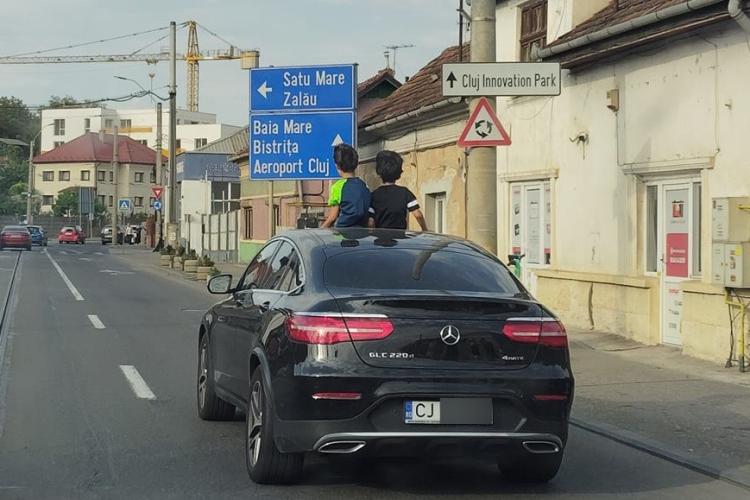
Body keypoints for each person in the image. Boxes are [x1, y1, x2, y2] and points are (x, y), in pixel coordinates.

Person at [368, 150, 428, 231]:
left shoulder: (374, 195)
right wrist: (424, 229)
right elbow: (418, 215)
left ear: (379, 172)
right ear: (398, 172)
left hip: (380, 236)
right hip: (400, 236)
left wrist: (372, 233)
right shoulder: (404, 193)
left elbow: (371, 222)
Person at [321, 143, 371, 228]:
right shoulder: (364, 185)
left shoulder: (337, 187)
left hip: (343, 232)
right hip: (362, 232)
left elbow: (332, 218)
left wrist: (320, 230)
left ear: (337, 165)